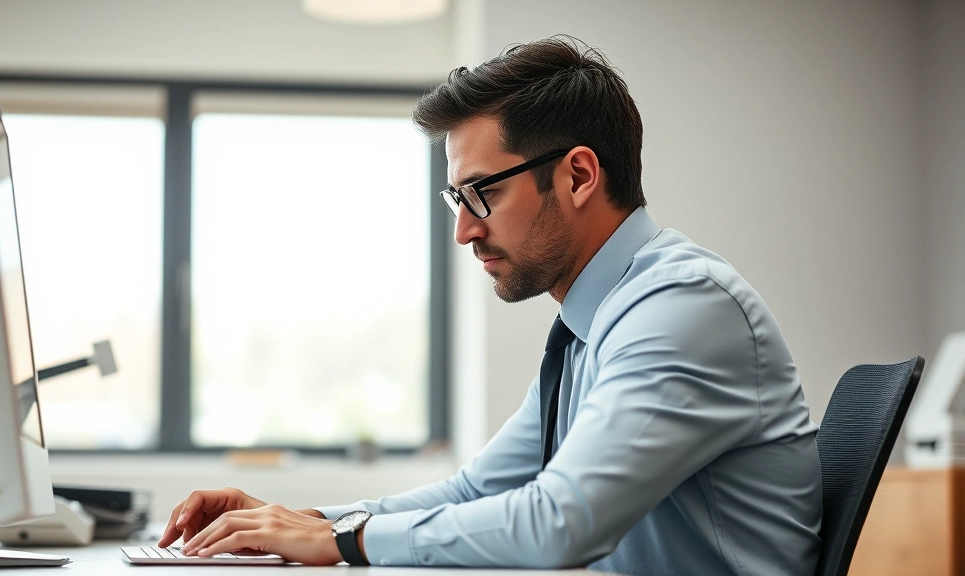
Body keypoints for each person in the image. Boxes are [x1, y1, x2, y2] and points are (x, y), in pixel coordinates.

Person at [158, 36, 822, 576]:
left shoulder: (681, 307)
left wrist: (343, 542)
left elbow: (560, 524)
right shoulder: (593, 326)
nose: (465, 230)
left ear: (579, 175)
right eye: (458, 200)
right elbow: (476, 493)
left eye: (482, 194)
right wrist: (296, 522)